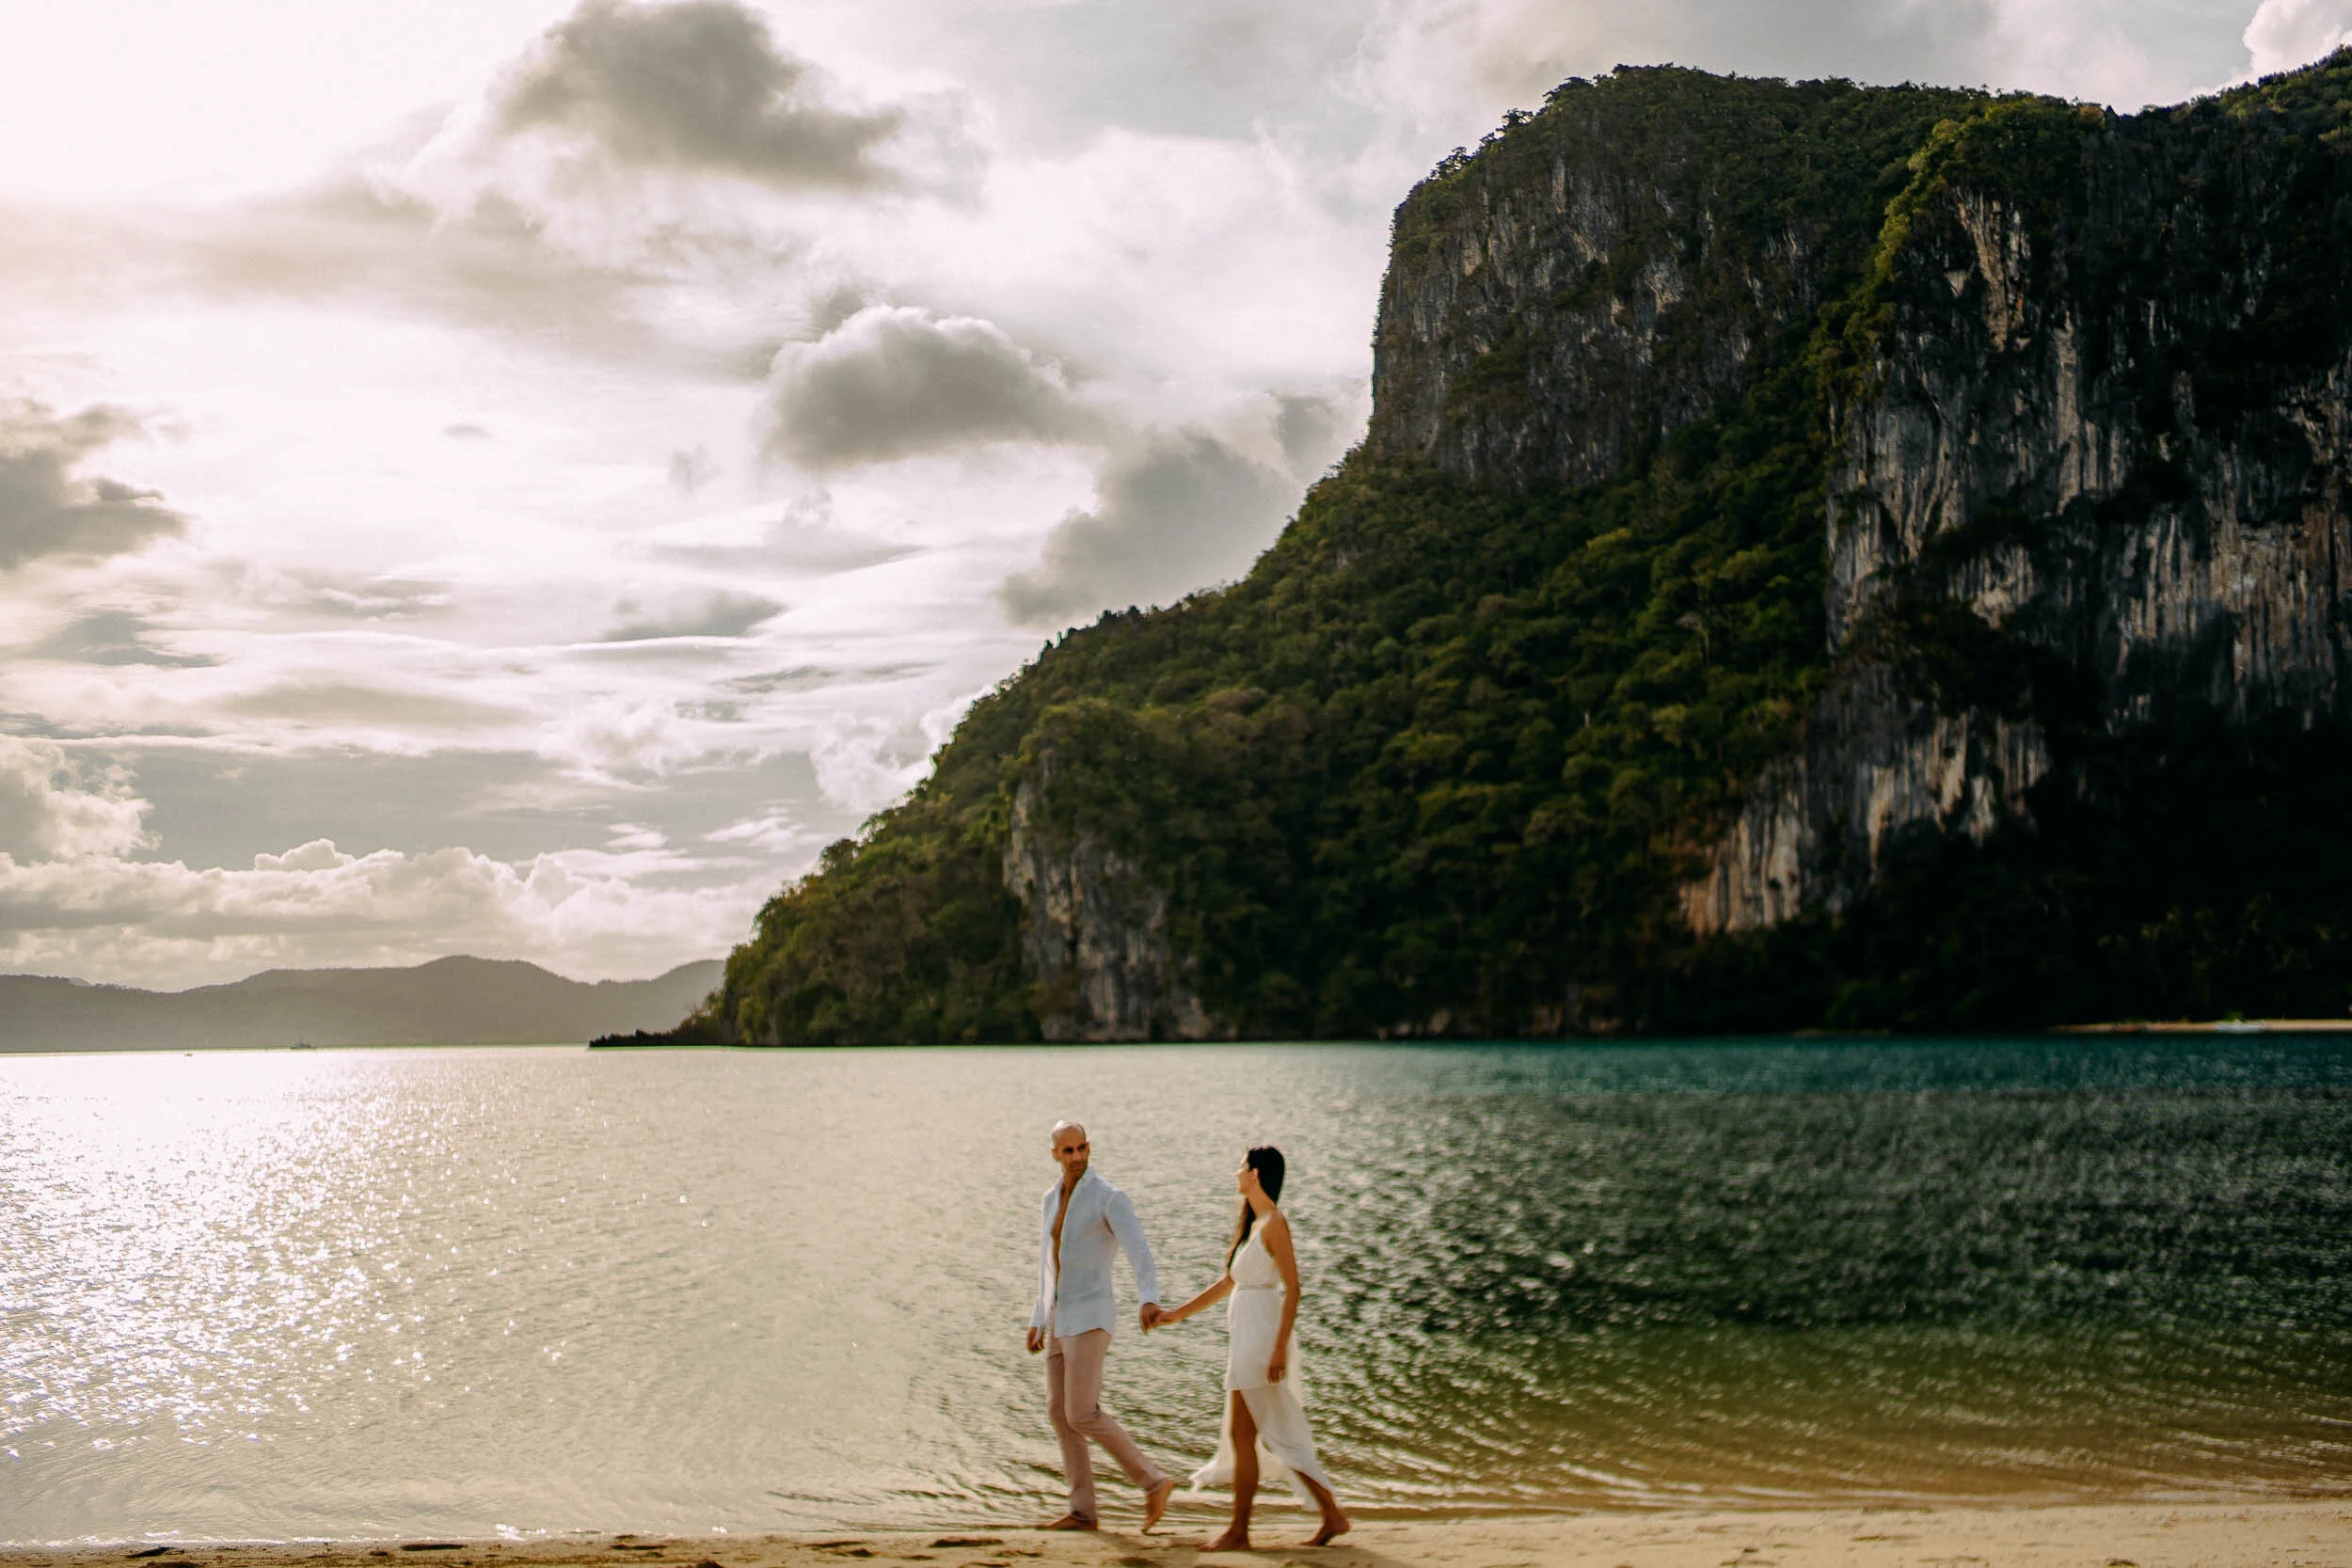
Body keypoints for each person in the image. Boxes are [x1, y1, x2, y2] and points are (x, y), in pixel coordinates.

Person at [1157, 1145, 1349, 1549]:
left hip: (1261, 1337)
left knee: (1254, 1433)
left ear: (1256, 1174)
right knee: (1255, 1433)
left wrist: (1279, 1349)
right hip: (1246, 1336)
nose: (1236, 1173)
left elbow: (1294, 1289)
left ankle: (1241, 1532)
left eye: (1241, 1166)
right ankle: (1328, 1515)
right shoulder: (1254, 1223)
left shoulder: (1275, 1224)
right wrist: (1177, 1314)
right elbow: (1228, 1283)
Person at [1026, 1119, 1178, 1532]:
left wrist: (1148, 1297)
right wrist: (1038, 1318)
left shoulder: (1109, 1197)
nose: (1076, 1157)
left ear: (1088, 1148)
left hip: (1092, 1316)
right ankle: (1083, 1511)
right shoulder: (1050, 1199)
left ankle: (1154, 1482)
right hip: (1059, 1318)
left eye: (1081, 1148)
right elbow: (1047, 1264)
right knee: (1059, 1414)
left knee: (1082, 1412)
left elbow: (1138, 1248)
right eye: (1068, 1150)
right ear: (1055, 1154)